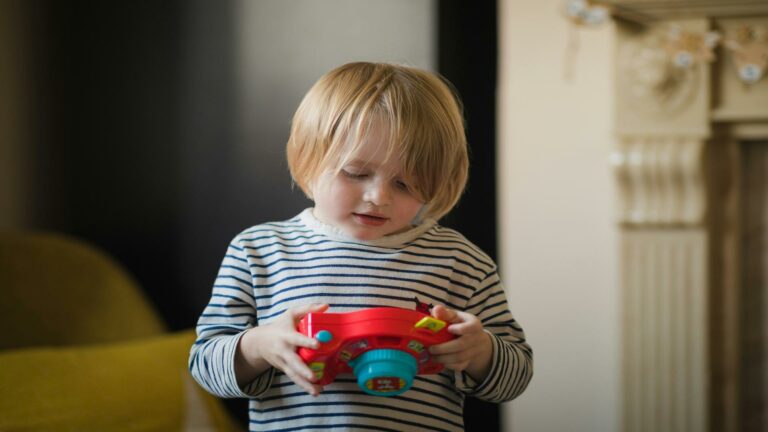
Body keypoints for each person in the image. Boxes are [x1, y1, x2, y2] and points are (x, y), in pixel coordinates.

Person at [189, 61, 532, 431]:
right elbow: (206, 367)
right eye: (356, 173)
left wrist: (480, 352)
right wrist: (258, 346)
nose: (378, 197)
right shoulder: (259, 251)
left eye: (405, 184)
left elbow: (516, 377)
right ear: (308, 157)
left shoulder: (459, 261)